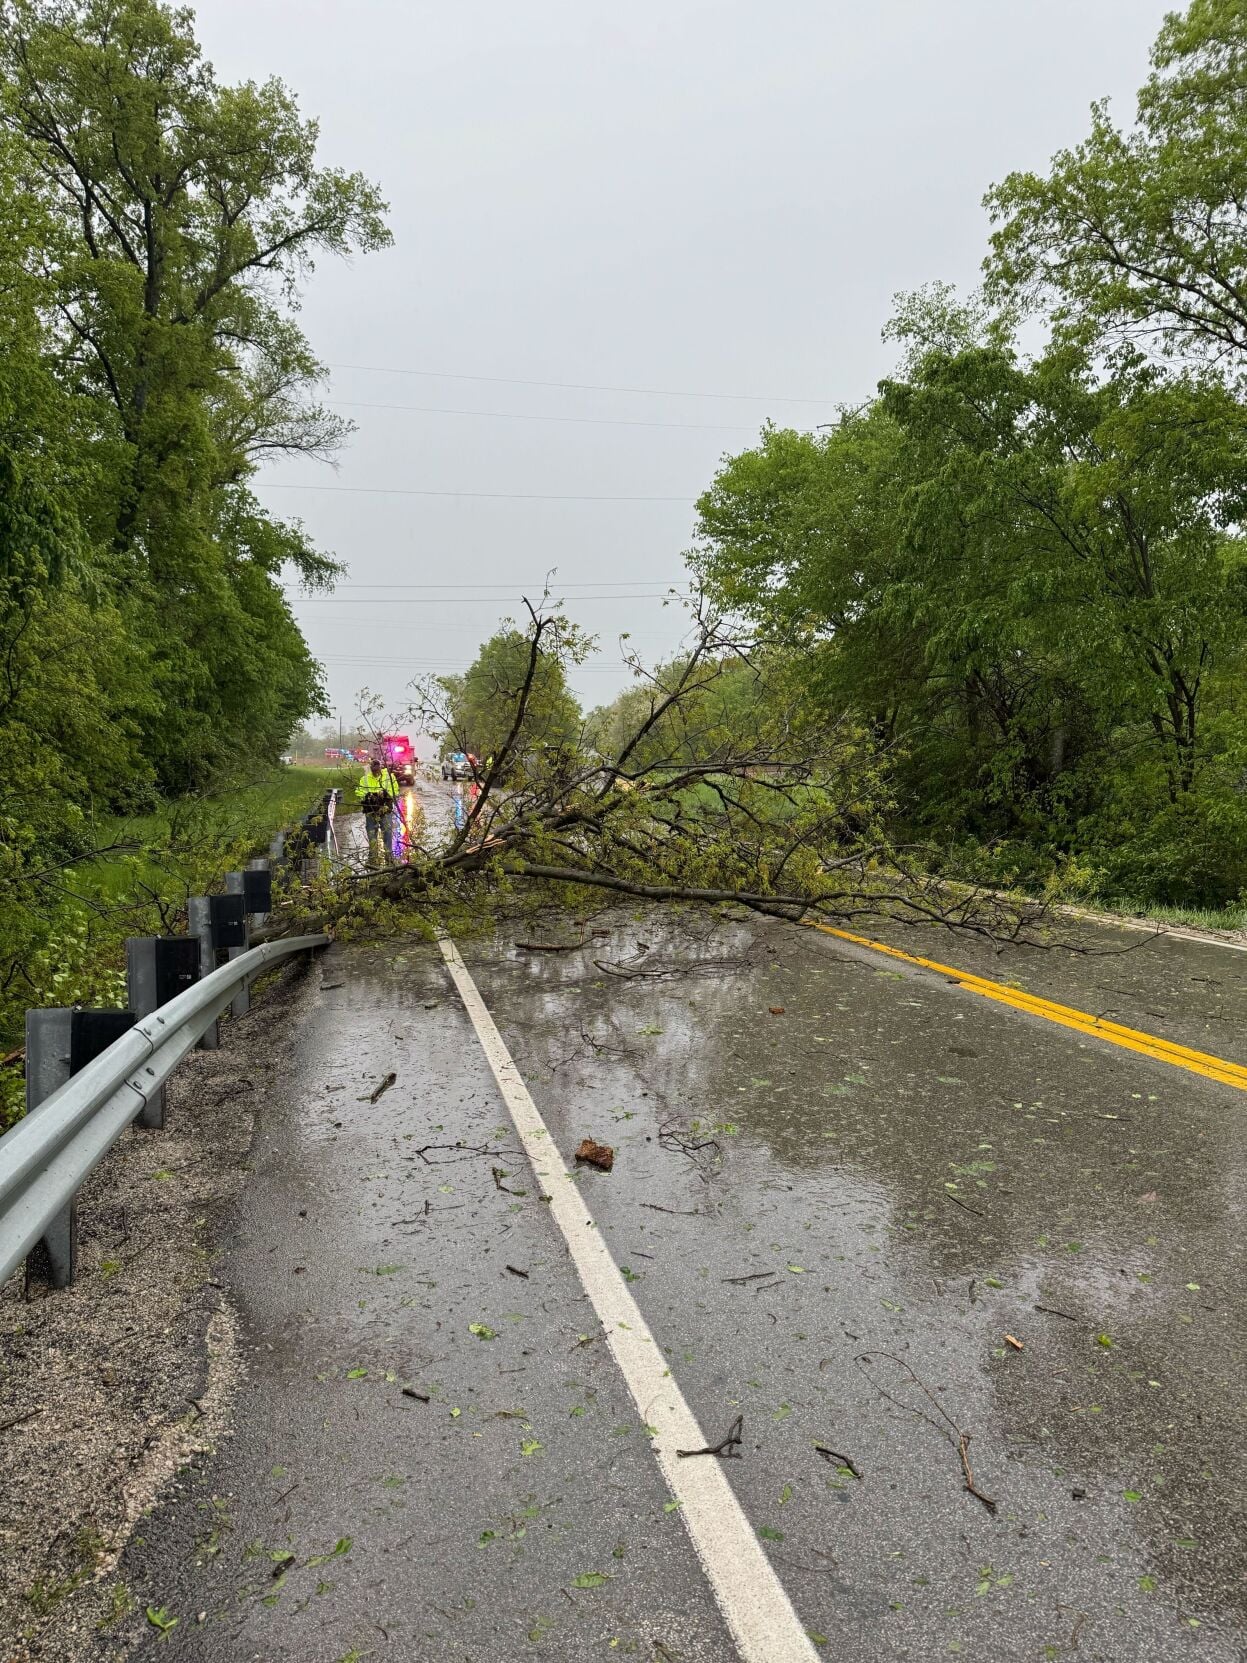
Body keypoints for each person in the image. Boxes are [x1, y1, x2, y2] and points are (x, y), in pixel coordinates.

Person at [355, 752, 400, 862]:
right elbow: (359, 792)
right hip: (370, 811)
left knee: (387, 833)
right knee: (372, 835)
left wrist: (384, 794)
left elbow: (395, 791)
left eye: (377, 769)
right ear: (371, 768)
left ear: (380, 768)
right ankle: (373, 858)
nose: (375, 772)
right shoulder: (365, 779)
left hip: (385, 810)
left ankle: (389, 857)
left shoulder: (389, 777)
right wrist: (368, 795)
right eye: (373, 770)